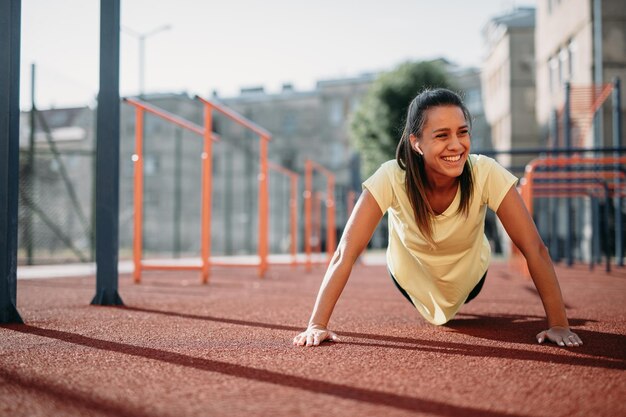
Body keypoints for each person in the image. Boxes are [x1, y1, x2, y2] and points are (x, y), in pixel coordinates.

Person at [293, 88, 582, 348]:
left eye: (462, 132)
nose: (456, 145)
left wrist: (558, 323)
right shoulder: (391, 177)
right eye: (442, 135)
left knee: (465, 292)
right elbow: (345, 253)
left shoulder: (485, 172)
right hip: (410, 275)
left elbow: (534, 247)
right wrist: (317, 325)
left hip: (470, 277)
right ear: (417, 143)